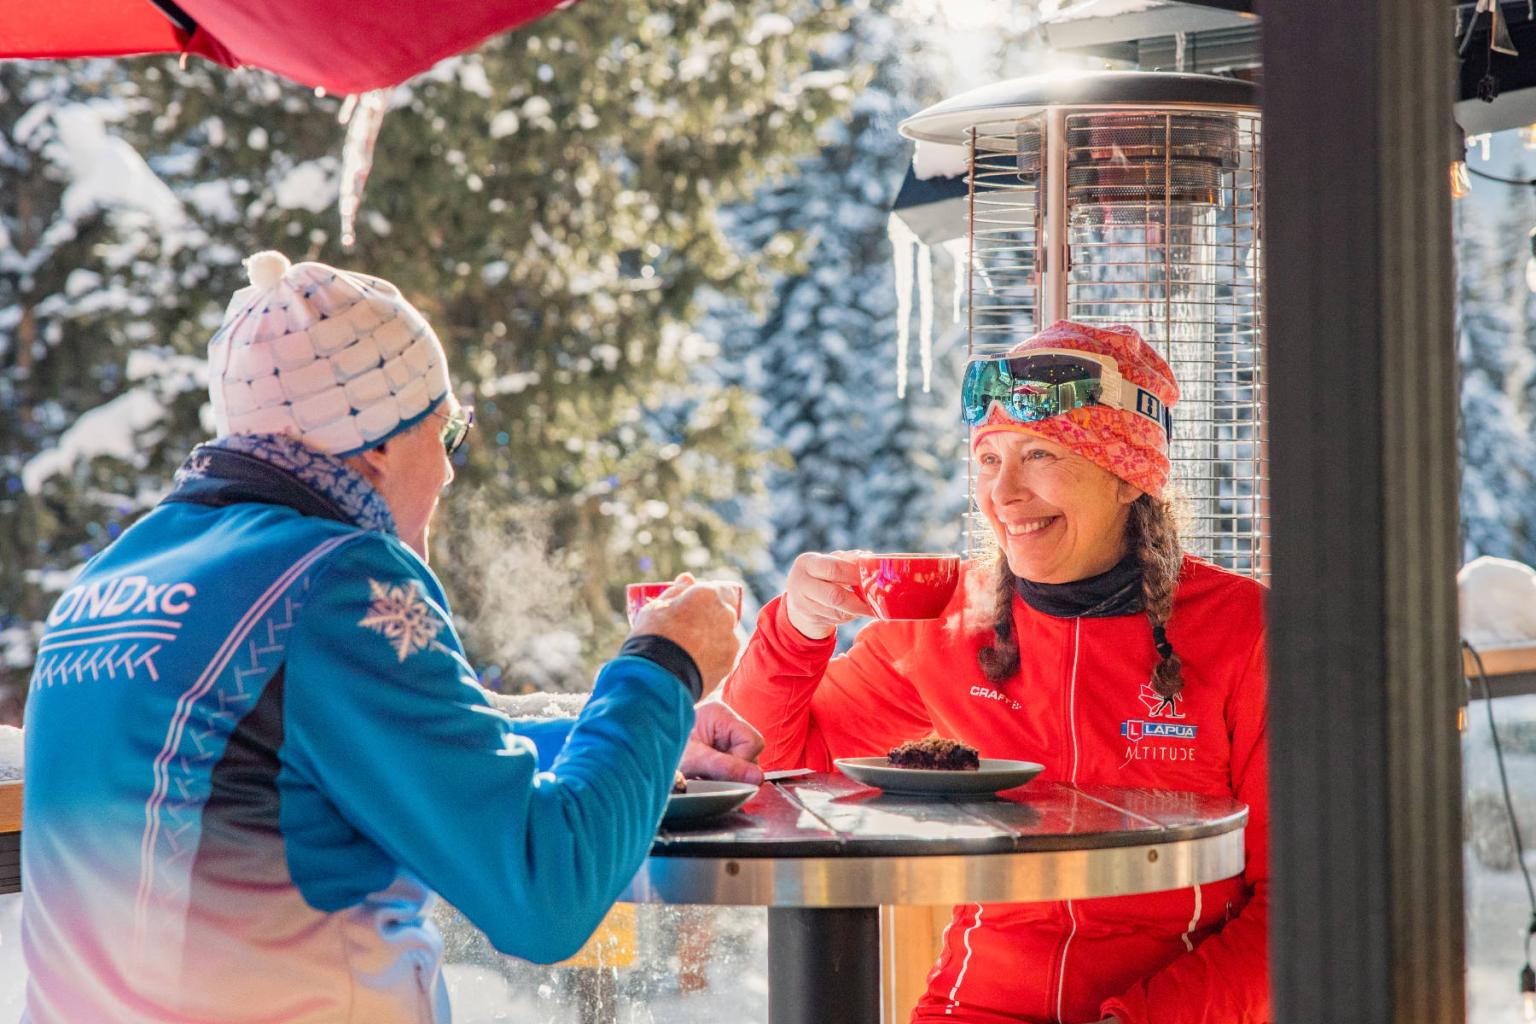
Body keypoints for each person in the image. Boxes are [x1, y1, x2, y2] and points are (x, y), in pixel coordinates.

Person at [20, 251, 763, 1024]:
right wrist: (664, 666)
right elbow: (545, 892)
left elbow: (334, 761)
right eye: (446, 431)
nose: (446, 473)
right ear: (376, 444)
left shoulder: (108, 583)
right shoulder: (338, 582)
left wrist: (624, 745)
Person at [722, 320, 1268, 1024]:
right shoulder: (948, 619)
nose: (1002, 495)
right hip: (974, 1007)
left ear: (1129, 476)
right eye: (988, 461)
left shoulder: (1243, 631)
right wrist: (797, 630)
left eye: (1039, 453)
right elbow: (770, 767)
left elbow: (1297, 903)